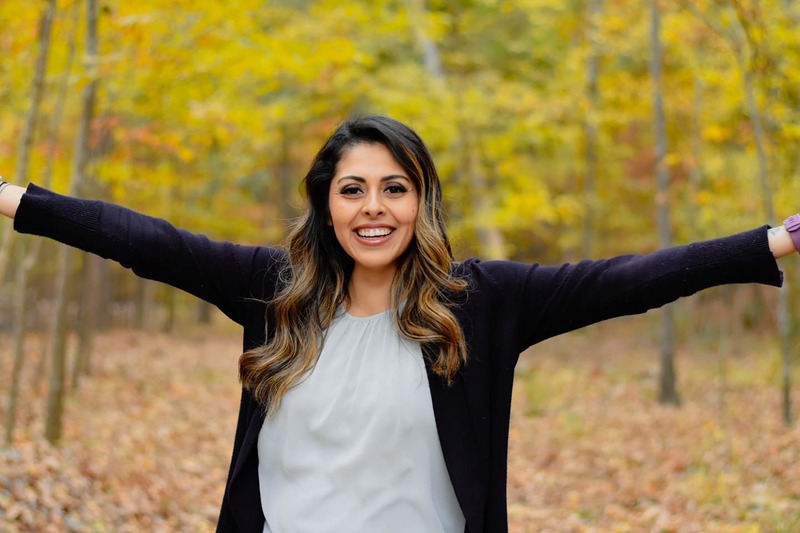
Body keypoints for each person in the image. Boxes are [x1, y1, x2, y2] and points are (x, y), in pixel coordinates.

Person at [0, 115, 796, 533]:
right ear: (325, 202)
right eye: (352, 189)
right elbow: (145, 240)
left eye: (394, 188)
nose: (373, 209)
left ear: (422, 201)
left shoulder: (479, 302)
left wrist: (773, 239)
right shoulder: (270, 290)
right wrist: (14, 199)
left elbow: (627, 280)